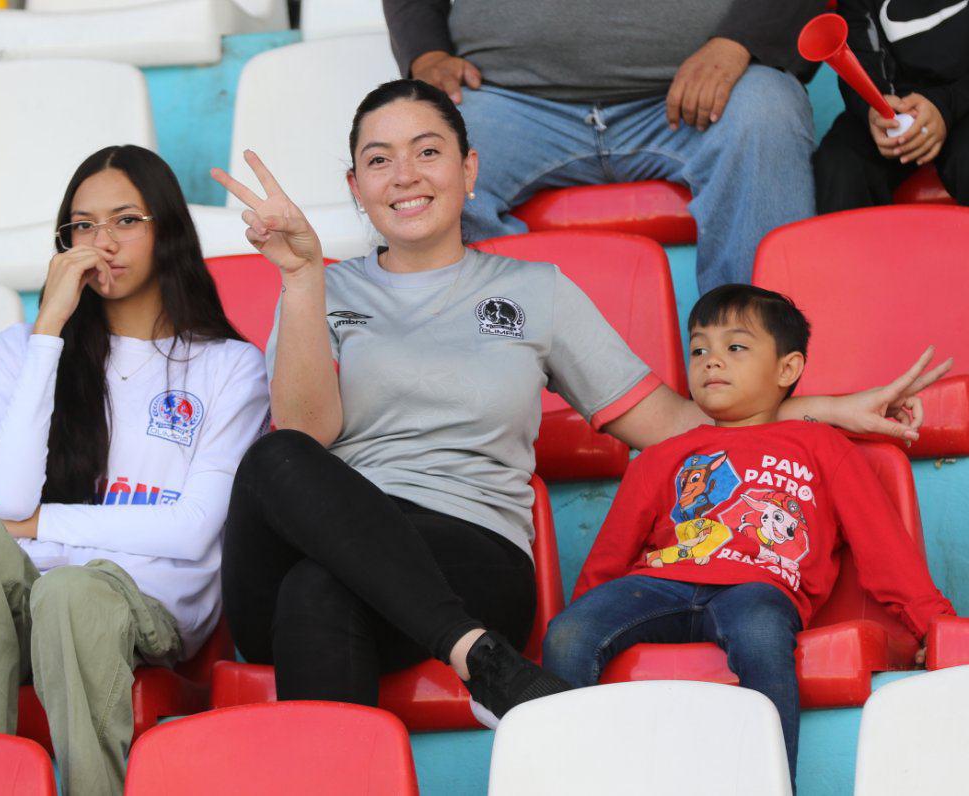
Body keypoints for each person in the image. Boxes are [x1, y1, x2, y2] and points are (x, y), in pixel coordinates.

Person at [211, 78, 947, 727]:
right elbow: (309, 436)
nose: (405, 175)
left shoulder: (537, 293)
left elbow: (673, 426)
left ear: (469, 172)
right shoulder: (323, 291)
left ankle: (460, 651)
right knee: (277, 458)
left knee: (319, 592)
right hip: (340, 548)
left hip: (467, 553)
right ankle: (479, 660)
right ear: (355, 184)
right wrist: (303, 278)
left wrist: (825, 410)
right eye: (379, 159)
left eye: (428, 151)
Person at [0, 145, 269, 795]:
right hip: (24, 594)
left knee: (70, 593)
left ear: (167, 230)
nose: (103, 242)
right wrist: (48, 329)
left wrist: (44, 524)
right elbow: (9, 499)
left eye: (127, 220)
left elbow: (189, 533)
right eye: (83, 226)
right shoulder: (20, 349)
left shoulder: (228, 366)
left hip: (147, 600)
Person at [542, 284, 955, 786]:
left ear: (787, 369)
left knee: (760, 630)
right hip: (662, 584)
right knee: (568, 633)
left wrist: (930, 623)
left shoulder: (822, 445)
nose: (712, 361)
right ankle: (565, 780)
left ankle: (771, 783)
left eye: (735, 347)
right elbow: (612, 553)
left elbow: (881, 544)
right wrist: (587, 607)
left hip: (758, 588)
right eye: (698, 349)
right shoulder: (662, 455)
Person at [383, 0, 825, 292]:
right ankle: (490, 372)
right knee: (421, 153)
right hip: (510, 100)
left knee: (766, 110)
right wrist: (426, 53)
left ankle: (755, 378)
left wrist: (738, 42)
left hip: (694, 95)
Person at [813, 0, 968, 211]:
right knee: (839, 164)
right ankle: (845, 245)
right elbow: (856, 55)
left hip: (963, 100)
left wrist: (946, 104)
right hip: (894, 110)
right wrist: (873, 108)